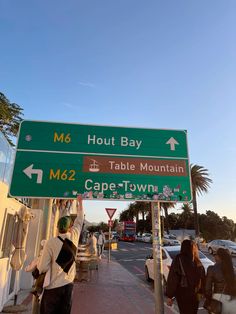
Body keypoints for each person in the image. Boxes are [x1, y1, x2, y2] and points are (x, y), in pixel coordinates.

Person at [37, 195, 84, 314]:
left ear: (58, 227)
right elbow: (80, 219)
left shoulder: (50, 243)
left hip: (52, 288)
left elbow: (42, 267)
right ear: (70, 227)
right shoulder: (74, 237)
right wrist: (80, 202)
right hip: (68, 286)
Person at [166, 239, 205, 314]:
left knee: (184, 311)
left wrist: (170, 296)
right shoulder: (197, 260)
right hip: (195, 293)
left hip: (182, 293)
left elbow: (173, 278)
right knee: (193, 312)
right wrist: (202, 292)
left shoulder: (178, 258)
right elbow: (202, 277)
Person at [205, 248, 236, 314]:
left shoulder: (212, 269)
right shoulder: (233, 270)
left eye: (215, 255)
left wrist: (208, 300)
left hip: (217, 301)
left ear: (219, 256)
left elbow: (207, 289)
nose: (214, 256)